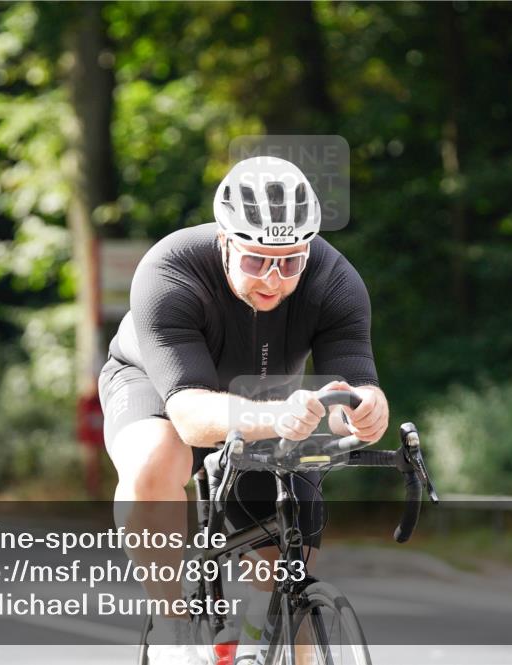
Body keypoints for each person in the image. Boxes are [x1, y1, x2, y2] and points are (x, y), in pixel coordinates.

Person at [98, 156, 389, 664]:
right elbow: (188, 416)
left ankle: (259, 630)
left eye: (290, 261)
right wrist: (277, 417)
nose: (274, 279)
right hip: (157, 386)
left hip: (267, 400)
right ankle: (171, 631)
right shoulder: (169, 269)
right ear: (224, 241)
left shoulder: (335, 281)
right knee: (157, 458)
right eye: (256, 260)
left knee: (287, 566)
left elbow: (356, 387)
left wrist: (364, 412)